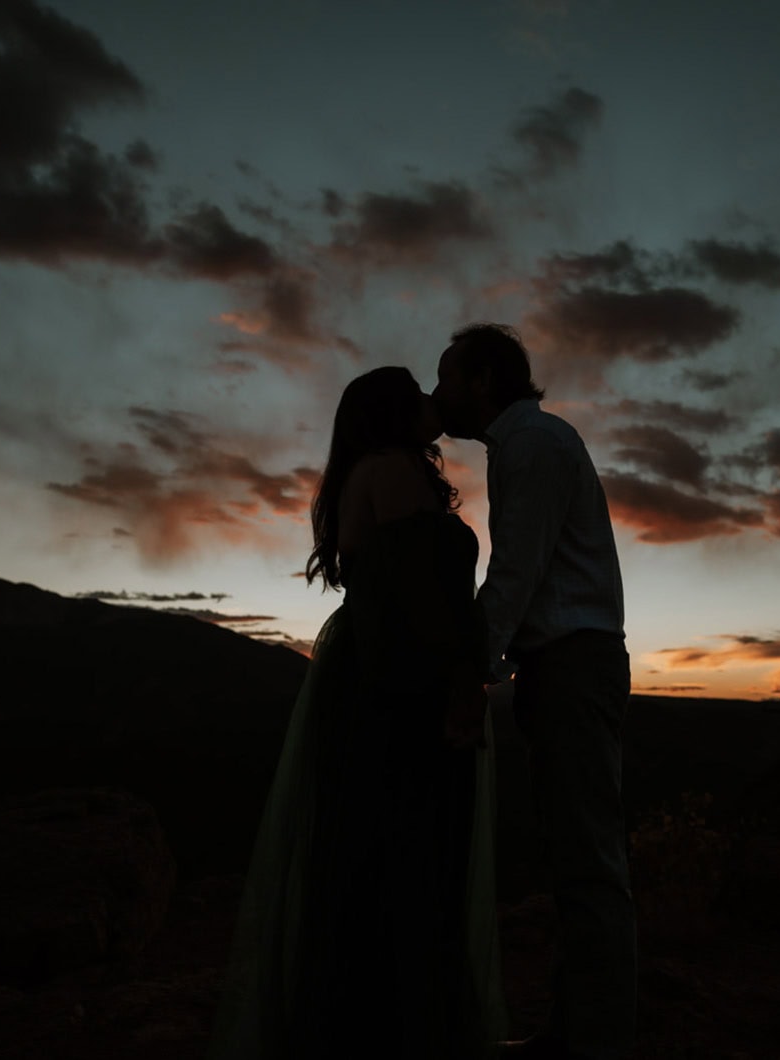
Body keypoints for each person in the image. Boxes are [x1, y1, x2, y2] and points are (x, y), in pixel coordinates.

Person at [207, 366, 508, 1058]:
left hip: (383, 670)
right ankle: (395, 1029)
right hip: (401, 678)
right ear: (393, 413)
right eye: (419, 394)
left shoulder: (381, 469)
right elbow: (421, 597)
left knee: (378, 850)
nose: (434, 400)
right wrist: (464, 682)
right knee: (404, 850)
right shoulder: (389, 469)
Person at [433, 324, 635, 1060]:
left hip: (572, 664)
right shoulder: (527, 445)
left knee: (587, 857)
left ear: (483, 380)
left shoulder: (533, 445)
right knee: (573, 851)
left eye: (447, 377)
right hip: (559, 665)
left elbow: (515, 572)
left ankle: (599, 1038)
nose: (438, 394)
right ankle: (579, 1028)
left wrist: (470, 677)